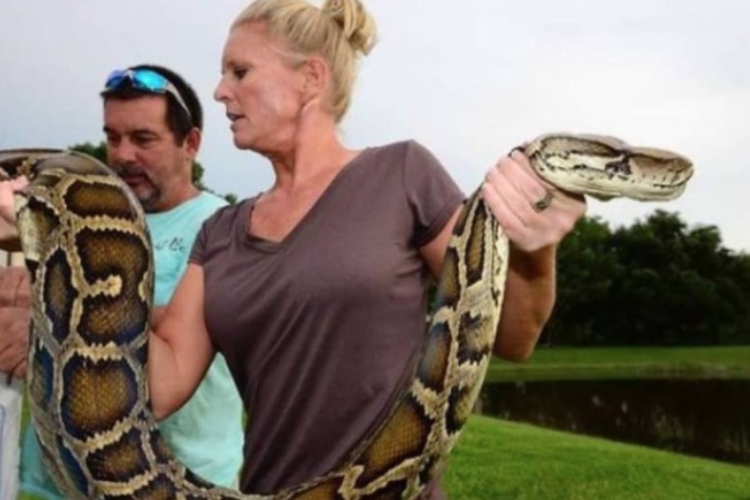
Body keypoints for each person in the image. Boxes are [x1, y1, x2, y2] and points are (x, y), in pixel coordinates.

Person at [1, 1, 586, 499]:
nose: (220, 91)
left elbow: (512, 337)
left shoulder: (402, 175)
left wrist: (535, 252)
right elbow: (161, 384)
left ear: (310, 78)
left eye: (239, 71)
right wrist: (58, 248)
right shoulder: (222, 233)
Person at [0, 64, 244, 498]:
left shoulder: (224, 228)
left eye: (143, 139)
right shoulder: (75, 213)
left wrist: (49, 315)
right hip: (46, 481)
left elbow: (197, 330)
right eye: (113, 138)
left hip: (161, 482)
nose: (123, 155)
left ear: (190, 143)